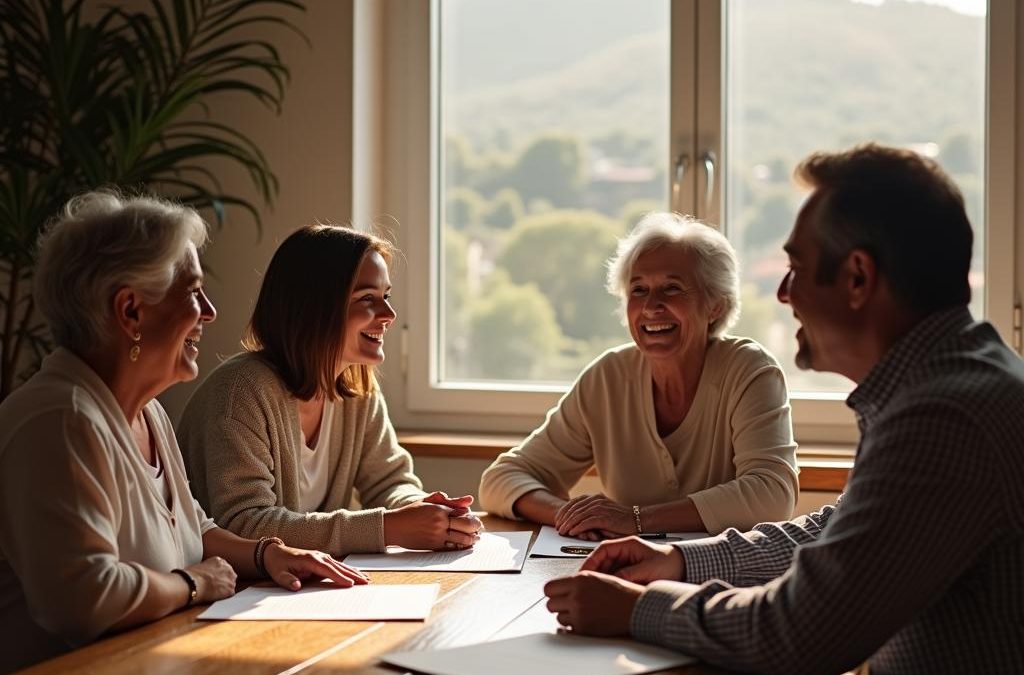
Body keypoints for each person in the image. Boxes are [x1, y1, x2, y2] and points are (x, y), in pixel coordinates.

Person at [543, 144, 1024, 674]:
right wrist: (678, 560)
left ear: (858, 278)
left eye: (796, 266)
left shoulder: (945, 419)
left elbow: (801, 633)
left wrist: (639, 609)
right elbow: (836, 530)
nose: (782, 292)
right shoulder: (949, 381)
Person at [0, 192, 369, 673]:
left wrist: (268, 554)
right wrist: (195, 584)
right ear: (131, 311)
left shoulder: (146, 410)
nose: (210, 311)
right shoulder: (60, 421)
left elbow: (193, 527)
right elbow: (83, 599)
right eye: (193, 291)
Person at [479, 213, 798, 538]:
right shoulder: (607, 378)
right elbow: (501, 478)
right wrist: (570, 515)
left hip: (721, 576)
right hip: (627, 574)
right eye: (639, 289)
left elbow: (772, 495)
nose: (651, 306)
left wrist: (635, 519)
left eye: (672, 289)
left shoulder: (749, 370)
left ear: (715, 305)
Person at [178, 224, 482, 556]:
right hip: (232, 593)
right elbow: (244, 524)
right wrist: (389, 527)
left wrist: (423, 510)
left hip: (305, 587)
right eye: (368, 299)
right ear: (314, 306)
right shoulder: (240, 393)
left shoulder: (358, 390)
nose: (389, 315)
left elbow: (389, 482)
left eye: (386, 297)